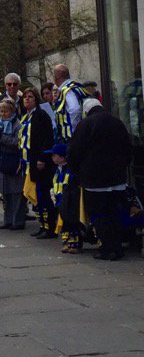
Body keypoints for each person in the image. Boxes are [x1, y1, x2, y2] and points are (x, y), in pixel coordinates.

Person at [68, 98, 132, 261]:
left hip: (94, 179)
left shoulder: (86, 124)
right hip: (117, 179)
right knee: (115, 213)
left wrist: (76, 171)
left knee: (99, 215)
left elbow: (75, 151)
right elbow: (128, 148)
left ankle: (107, 248)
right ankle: (117, 247)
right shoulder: (117, 122)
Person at [19, 86, 57, 239]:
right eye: (25, 97)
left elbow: (47, 138)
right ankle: (42, 225)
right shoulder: (26, 116)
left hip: (40, 162)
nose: (27, 99)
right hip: (30, 162)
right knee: (36, 196)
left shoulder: (41, 115)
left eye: (30, 97)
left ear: (36, 100)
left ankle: (49, 227)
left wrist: (42, 158)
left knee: (43, 194)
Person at [0, 98, 26, 230]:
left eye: (5, 111)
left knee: (16, 192)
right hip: (2, 160)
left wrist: (0, 137)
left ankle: (18, 221)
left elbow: (16, 142)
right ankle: (8, 220)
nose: (2, 114)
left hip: (13, 160)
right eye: (1, 111)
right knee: (6, 193)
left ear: (12, 111)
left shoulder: (17, 125)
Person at [45, 141, 83, 253]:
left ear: (62, 157)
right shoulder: (57, 170)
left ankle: (74, 243)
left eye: (54, 155)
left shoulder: (70, 170)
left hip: (70, 201)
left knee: (73, 223)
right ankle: (66, 242)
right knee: (64, 223)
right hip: (60, 201)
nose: (52, 157)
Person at [53, 64, 88, 144]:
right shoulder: (78, 87)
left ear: (56, 77)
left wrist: (73, 132)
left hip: (73, 138)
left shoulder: (67, 90)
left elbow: (75, 110)